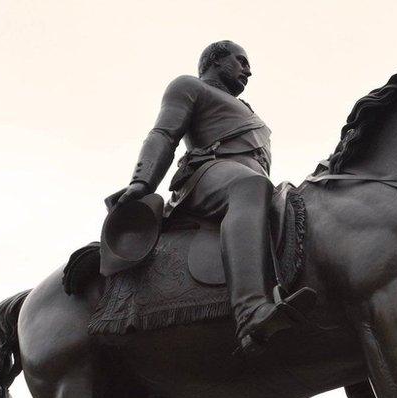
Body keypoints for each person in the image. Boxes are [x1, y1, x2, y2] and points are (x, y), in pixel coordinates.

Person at [110, 40, 314, 354]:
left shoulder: (247, 110)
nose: (249, 70)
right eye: (240, 61)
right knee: (249, 187)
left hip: (249, 179)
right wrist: (142, 182)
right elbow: (163, 134)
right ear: (215, 61)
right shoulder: (189, 86)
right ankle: (251, 311)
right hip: (208, 174)